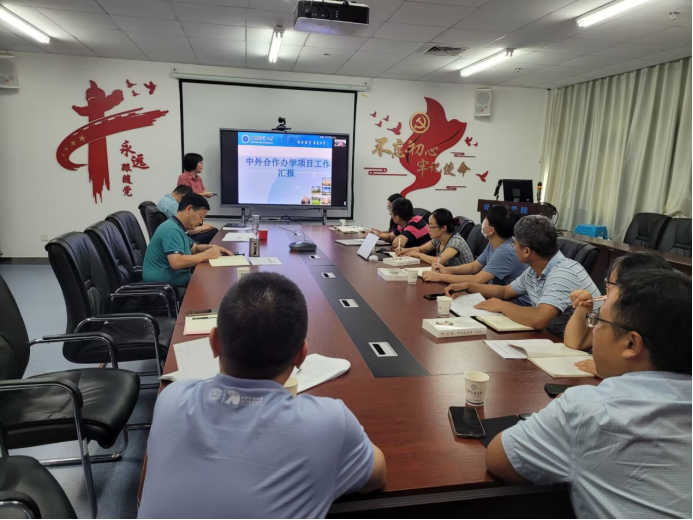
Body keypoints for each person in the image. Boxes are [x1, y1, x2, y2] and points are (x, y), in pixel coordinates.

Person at [139, 273, 387, 519]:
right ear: (301, 355)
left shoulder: (170, 399)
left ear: (213, 342)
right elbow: (375, 476)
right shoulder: (329, 423)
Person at [486, 269, 692, 519]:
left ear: (631, 344)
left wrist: (564, 415)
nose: (593, 330)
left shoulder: (588, 409)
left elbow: (499, 459)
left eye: (599, 321)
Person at [445, 216, 600, 336]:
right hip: (553, 339)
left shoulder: (563, 273)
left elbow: (540, 319)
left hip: (583, 351)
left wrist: (501, 306)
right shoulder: (535, 270)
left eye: (515, 244)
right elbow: (505, 292)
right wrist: (469, 287)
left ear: (526, 251)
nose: (513, 247)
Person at [564, 252, 674, 377]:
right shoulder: (617, 312)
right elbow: (575, 342)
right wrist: (582, 309)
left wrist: (609, 372)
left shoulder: (652, 320)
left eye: (610, 283)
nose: (607, 288)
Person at [143, 193, 231, 289]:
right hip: (165, 288)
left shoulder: (179, 227)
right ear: (189, 209)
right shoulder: (171, 229)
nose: (201, 222)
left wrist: (212, 247)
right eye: (200, 216)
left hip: (176, 283)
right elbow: (176, 262)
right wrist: (206, 255)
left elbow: (194, 248)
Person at [423, 206, 525, 284]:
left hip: (514, 302)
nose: (483, 222)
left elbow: (478, 279)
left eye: (486, 219)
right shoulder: (494, 243)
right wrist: (447, 270)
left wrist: (440, 277)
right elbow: (473, 267)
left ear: (491, 230)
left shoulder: (505, 251)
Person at [398, 209, 473, 267]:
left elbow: (438, 260)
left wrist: (419, 255)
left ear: (444, 228)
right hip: (446, 274)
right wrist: (405, 251)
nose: (428, 230)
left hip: (461, 278)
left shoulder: (455, 242)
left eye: (431, 227)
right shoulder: (438, 238)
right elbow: (421, 249)